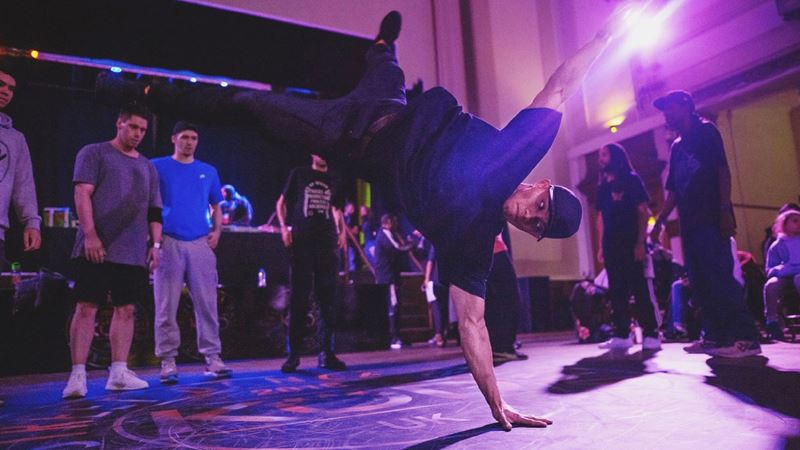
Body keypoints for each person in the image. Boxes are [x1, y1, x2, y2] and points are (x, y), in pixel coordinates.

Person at [105, 6, 637, 428]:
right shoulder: (517, 151)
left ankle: (148, 91)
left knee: (252, 107)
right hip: (390, 105)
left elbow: (472, 325)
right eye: (539, 207)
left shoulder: (474, 238)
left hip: (345, 135)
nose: (529, 216)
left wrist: (497, 405)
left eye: (537, 226)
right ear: (541, 185)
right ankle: (383, 45)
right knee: (387, 66)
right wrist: (605, 38)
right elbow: (562, 87)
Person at [62, 102, 162, 399]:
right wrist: (91, 235)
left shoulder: (147, 166)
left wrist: (156, 246)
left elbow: (154, 210)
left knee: (127, 309)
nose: (138, 134)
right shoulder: (94, 153)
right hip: (97, 247)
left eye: (143, 130)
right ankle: (77, 376)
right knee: (86, 307)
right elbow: (82, 194)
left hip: (132, 252)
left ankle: (118, 372)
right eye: (133, 127)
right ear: (119, 123)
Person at [652, 90, 760, 358]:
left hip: (713, 217)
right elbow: (674, 191)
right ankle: (713, 336)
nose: (666, 113)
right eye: (663, 109)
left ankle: (746, 339)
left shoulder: (706, 132)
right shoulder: (676, 147)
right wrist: (660, 222)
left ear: (686, 106)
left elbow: (722, 170)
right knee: (700, 283)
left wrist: (725, 209)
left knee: (720, 278)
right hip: (690, 225)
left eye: (670, 107)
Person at [151, 121, 232, 384]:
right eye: (185, 137)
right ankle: (167, 360)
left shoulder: (208, 170)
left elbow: (216, 205)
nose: (189, 142)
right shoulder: (158, 166)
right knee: (166, 304)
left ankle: (213, 358)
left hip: (200, 242)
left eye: (194, 138)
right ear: (174, 139)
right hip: (169, 240)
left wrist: (217, 231)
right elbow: (149, 205)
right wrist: (153, 240)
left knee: (207, 303)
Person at [276, 154, 348, 372]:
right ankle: (294, 354)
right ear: (312, 155)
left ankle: (327, 353)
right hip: (302, 243)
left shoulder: (335, 178)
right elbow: (281, 203)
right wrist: (283, 228)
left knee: (328, 300)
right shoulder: (299, 173)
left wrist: (342, 231)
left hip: (326, 244)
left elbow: (336, 209)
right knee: (299, 298)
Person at [0, 62, 43, 407]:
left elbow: (23, 186)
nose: (5, 91)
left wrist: (32, 221)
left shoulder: (15, 139)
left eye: (11, 88)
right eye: (1, 84)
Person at [595, 143, 661, 351]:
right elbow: (600, 218)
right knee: (617, 291)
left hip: (631, 243)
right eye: (600, 155)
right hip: (611, 245)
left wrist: (641, 242)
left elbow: (643, 211)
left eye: (604, 154)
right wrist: (600, 246)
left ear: (616, 157)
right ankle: (622, 334)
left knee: (639, 289)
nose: (601, 158)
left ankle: (651, 334)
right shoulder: (602, 186)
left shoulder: (632, 180)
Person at [485, 234, 528, 363]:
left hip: (479, 250)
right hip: (492, 248)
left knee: (492, 301)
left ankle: (497, 346)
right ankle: (502, 347)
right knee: (508, 298)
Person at [374, 213, 414, 349]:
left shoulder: (387, 234)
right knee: (393, 305)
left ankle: (397, 336)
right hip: (387, 277)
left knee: (395, 305)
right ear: (388, 222)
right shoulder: (384, 235)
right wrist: (410, 245)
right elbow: (396, 248)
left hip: (391, 276)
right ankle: (394, 338)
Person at [763, 209, 800, 340]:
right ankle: (772, 320)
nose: (798, 223)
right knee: (771, 285)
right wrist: (782, 269)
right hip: (785, 275)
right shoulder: (776, 245)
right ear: (784, 224)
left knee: (798, 279)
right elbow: (769, 269)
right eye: (795, 221)